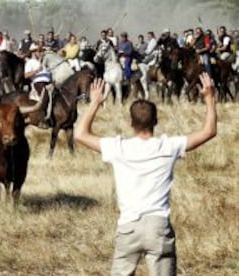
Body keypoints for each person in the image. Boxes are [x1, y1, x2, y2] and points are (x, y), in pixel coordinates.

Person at [74, 72, 217, 276]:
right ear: (156, 121)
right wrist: (209, 98)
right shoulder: (168, 146)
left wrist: (95, 102)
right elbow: (209, 131)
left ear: (130, 122)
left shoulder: (118, 148)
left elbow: (80, 134)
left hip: (128, 227)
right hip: (158, 226)